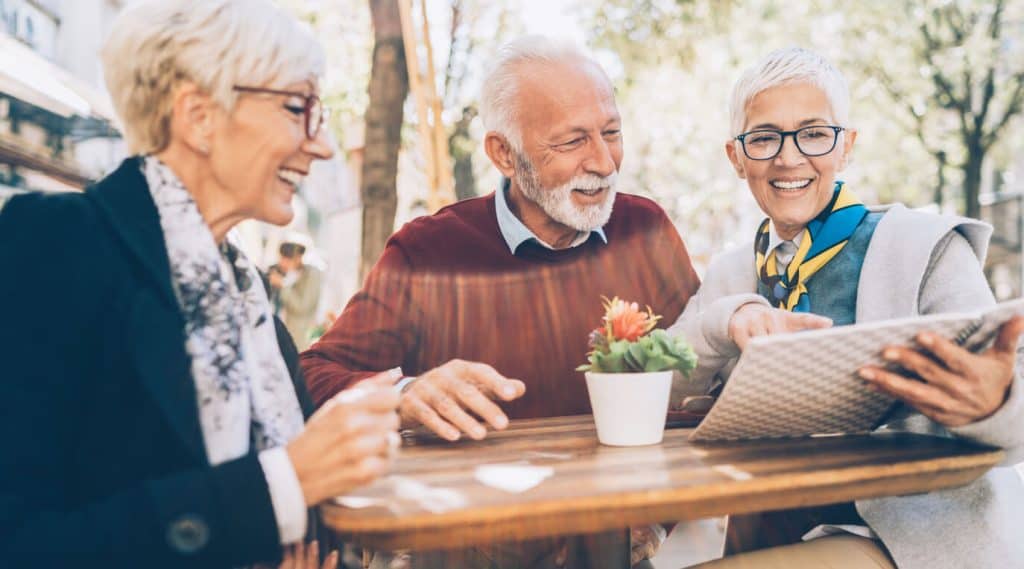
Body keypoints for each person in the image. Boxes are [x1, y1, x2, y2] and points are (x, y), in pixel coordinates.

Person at [0, 1, 400, 567]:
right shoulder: (57, 245)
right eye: (297, 108)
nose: (323, 145)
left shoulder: (246, 293)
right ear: (198, 116)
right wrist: (275, 492)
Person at [301, 37, 702, 567]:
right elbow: (312, 372)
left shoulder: (644, 229)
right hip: (464, 546)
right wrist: (404, 393)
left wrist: (653, 518)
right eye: (572, 141)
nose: (604, 162)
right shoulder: (428, 250)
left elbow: (700, 378)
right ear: (503, 154)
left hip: (612, 544)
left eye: (611, 133)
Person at [669, 47, 1024, 569]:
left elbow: (1013, 398)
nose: (789, 159)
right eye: (765, 138)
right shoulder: (732, 272)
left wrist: (997, 401)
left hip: (913, 539)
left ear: (847, 146)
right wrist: (726, 320)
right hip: (771, 531)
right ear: (736, 156)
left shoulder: (925, 248)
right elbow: (662, 380)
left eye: (814, 133)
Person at [270, 238, 323, 351]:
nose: (283, 263)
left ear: (298, 257)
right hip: (280, 334)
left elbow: (302, 306)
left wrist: (282, 285)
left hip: (301, 337)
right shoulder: (281, 272)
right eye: (282, 258)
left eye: (287, 259)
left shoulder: (312, 274)